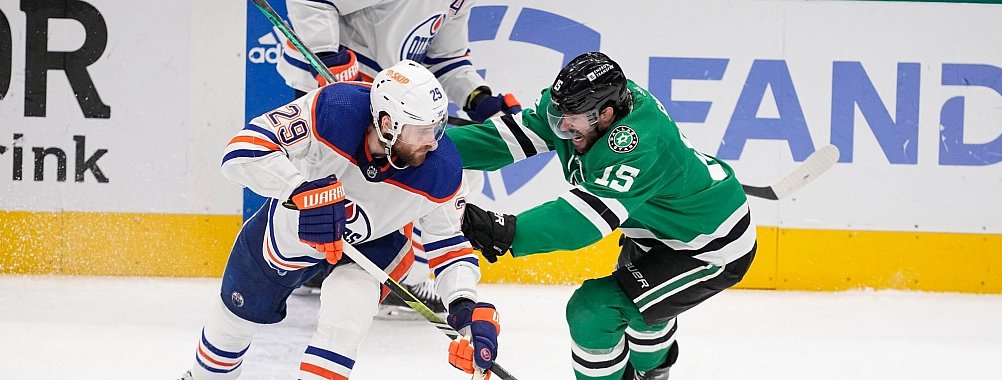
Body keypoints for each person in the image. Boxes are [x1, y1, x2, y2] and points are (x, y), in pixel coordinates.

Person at [446, 52, 757, 380]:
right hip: (656, 227)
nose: (563, 126)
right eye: (559, 113)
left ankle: (653, 372)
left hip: (710, 243)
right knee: (640, 307)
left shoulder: (636, 144)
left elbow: (583, 221)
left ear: (606, 115)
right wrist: (430, 150)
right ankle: (653, 371)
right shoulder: (584, 108)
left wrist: (507, 231)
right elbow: (504, 139)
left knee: (593, 311)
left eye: (573, 118)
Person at [180, 61, 500, 380]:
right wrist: (301, 191)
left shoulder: (443, 168)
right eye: (422, 131)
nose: (433, 141)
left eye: (437, 127)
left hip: (377, 243)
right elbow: (242, 150)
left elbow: (450, 247)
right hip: (294, 231)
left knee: (347, 317)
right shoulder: (334, 109)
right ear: (387, 123)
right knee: (234, 321)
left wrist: (464, 306)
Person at [276, 0, 522, 313]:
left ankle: (391, 271)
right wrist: (326, 52)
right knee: (324, 183)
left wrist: (480, 99)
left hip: (393, 100)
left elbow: (447, 61)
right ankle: (314, 260)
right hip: (343, 92)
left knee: (444, 172)